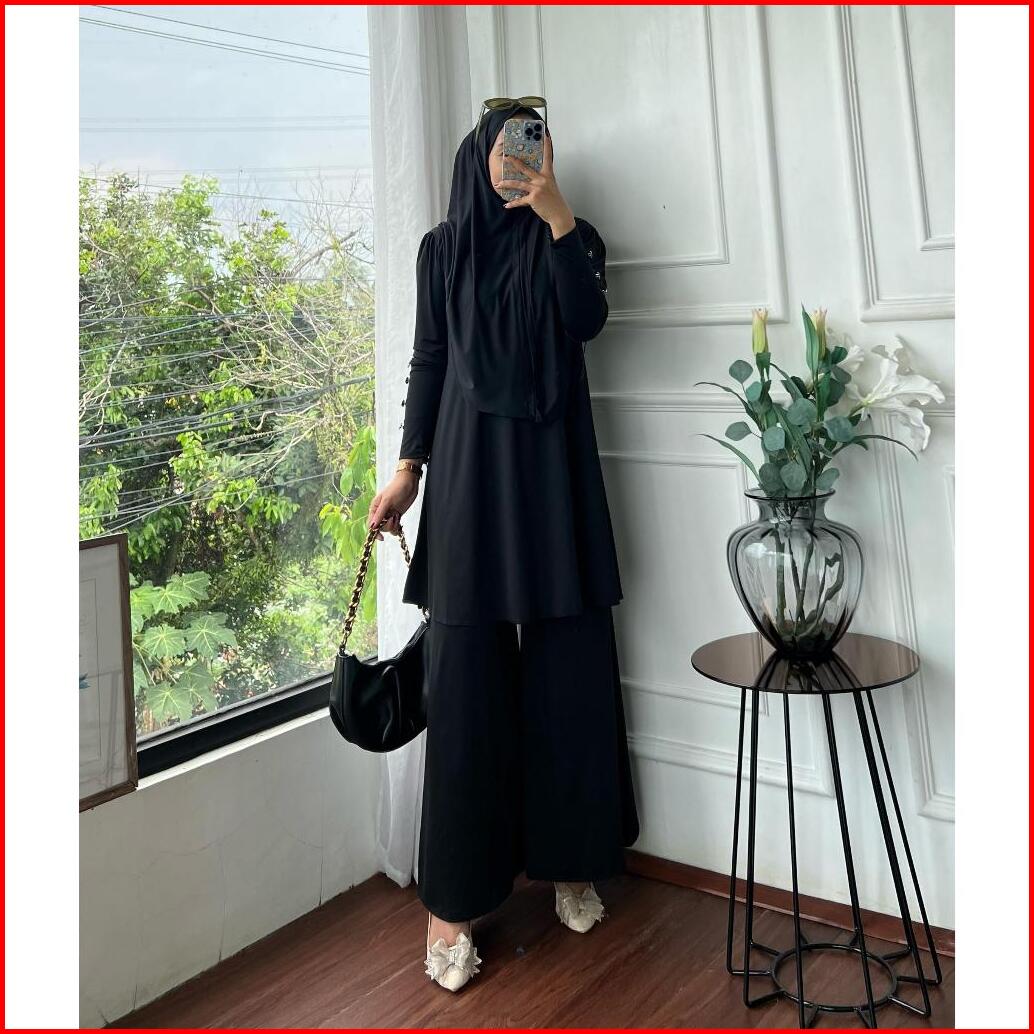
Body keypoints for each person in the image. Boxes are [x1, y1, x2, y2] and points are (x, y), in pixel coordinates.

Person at [368, 99, 640, 993]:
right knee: (465, 687)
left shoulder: (575, 237)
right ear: (477, 154)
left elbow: (585, 321)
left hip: (555, 473)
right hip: (470, 482)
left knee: (570, 673)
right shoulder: (442, 251)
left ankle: (572, 860)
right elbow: (429, 360)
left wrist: (556, 216)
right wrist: (407, 469)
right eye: (508, 143)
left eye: (536, 141)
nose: (521, 155)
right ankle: (453, 903)